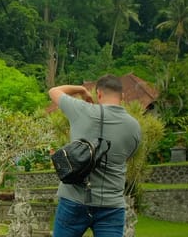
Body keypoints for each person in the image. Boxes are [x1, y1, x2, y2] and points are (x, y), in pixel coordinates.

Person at [48, 74, 141, 237]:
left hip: (74, 200)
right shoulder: (134, 127)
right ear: (123, 97)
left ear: (98, 94)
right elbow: (125, 158)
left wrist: (81, 90)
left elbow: (54, 91)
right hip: (111, 206)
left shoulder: (83, 110)